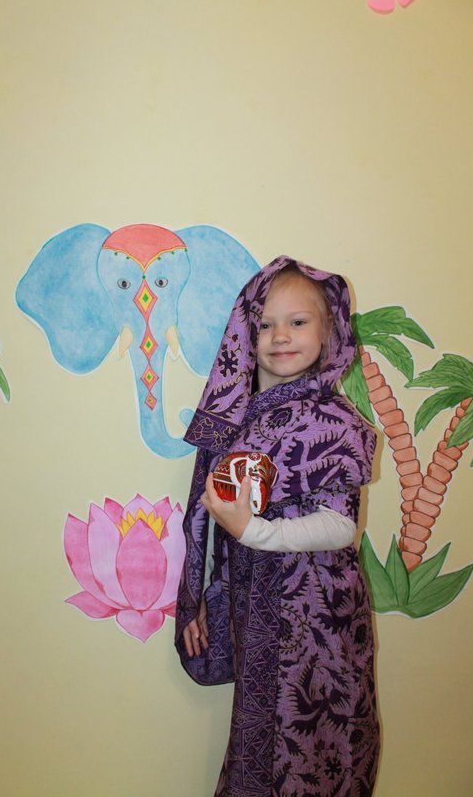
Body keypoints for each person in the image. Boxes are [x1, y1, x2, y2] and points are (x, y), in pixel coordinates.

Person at [175, 256, 380, 797]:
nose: (280, 336)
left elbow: (340, 526)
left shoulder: (334, 421)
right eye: (264, 324)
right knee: (261, 741)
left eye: (298, 321)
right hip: (256, 607)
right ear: (245, 335)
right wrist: (203, 597)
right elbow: (212, 517)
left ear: (329, 332)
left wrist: (256, 533)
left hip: (318, 619)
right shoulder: (238, 418)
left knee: (316, 746)